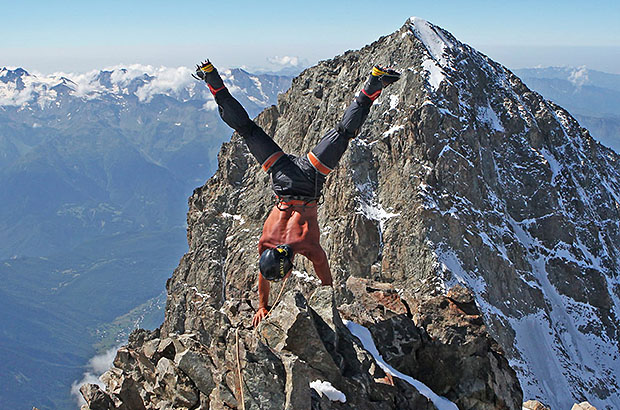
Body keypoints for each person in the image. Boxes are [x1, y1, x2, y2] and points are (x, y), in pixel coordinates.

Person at [193, 60, 400, 326]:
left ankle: (375, 82)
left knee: (344, 133)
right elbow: (263, 272)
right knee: (247, 130)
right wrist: (263, 304)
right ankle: (211, 78)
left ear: (291, 264)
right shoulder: (266, 244)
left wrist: (264, 307)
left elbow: (326, 284)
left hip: (311, 179)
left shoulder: (309, 247)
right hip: (282, 178)